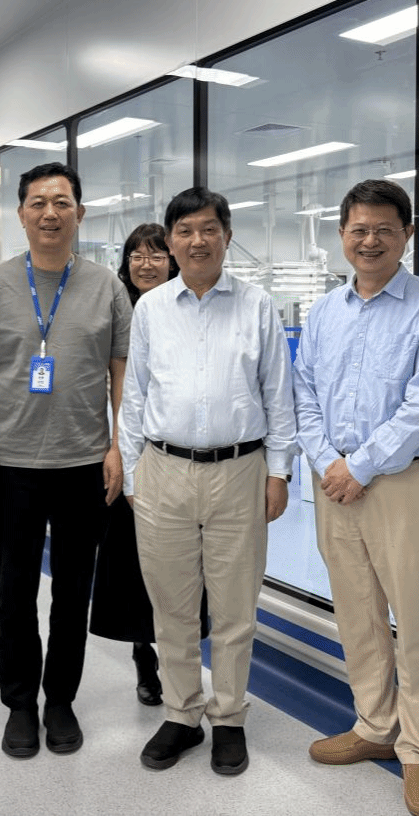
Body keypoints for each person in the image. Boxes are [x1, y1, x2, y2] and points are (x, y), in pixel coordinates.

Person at [293, 179, 419, 816]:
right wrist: (328, 463)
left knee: (415, 621)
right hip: (334, 482)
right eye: (359, 229)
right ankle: (374, 725)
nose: (370, 241)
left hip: (402, 482)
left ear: (406, 235)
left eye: (384, 230)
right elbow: (303, 392)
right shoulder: (324, 312)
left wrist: (358, 466)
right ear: (341, 235)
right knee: (357, 613)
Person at [0, 161, 130, 759]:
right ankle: (20, 703)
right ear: (22, 214)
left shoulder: (106, 286)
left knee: (73, 591)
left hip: (85, 464)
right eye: (38, 203)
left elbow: (122, 374)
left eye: (61, 202)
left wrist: (118, 446)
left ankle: (60, 701)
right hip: (14, 466)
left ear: (80, 212)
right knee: (17, 591)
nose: (50, 213)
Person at [118, 188, 296, 777]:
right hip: (163, 471)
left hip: (240, 471)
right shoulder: (151, 309)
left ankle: (229, 717)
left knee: (234, 607)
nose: (198, 241)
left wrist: (279, 472)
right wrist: (134, 472)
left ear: (227, 236)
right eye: (186, 230)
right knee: (171, 605)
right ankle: (181, 713)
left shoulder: (257, 305)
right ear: (171, 241)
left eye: (209, 229)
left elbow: (279, 395)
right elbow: (136, 395)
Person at [90, 223, 190, 706]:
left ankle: (179, 655)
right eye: (136, 255)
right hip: (123, 451)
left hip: (179, 453)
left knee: (181, 564)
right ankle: (143, 653)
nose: (146, 264)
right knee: (132, 562)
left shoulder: (186, 308)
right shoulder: (114, 309)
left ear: (172, 260)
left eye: (156, 255)